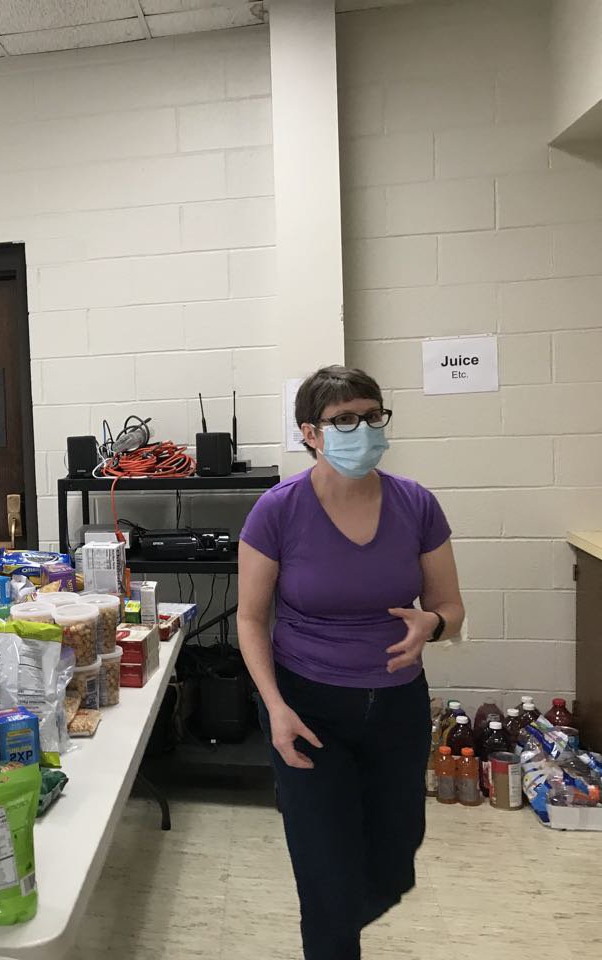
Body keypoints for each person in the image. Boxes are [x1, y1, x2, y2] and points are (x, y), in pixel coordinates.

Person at [236, 365, 464, 960]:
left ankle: (342, 914)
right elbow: (250, 619)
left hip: (396, 705)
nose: (360, 429)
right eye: (343, 420)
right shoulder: (277, 511)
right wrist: (275, 708)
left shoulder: (417, 505)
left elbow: (450, 608)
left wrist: (433, 625)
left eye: (371, 416)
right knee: (327, 870)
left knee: (394, 856)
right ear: (310, 432)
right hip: (307, 707)